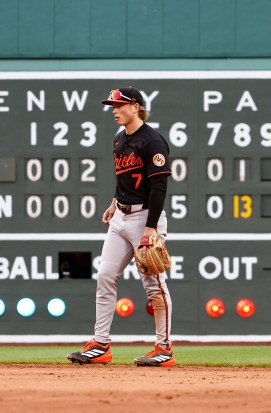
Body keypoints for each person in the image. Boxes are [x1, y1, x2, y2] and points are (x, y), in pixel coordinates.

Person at [67, 87, 175, 367]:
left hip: (145, 218)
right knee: (104, 275)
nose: (114, 110)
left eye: (119, 105)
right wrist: (114, 202)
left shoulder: (152, 141)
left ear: (136, 107)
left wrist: (150, 229)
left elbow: (159, 186)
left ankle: (164, 348)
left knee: (154, 285)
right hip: (121, 217)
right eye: (112, 105)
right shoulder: (119, 140)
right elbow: (126, 179)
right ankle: (100, 344)